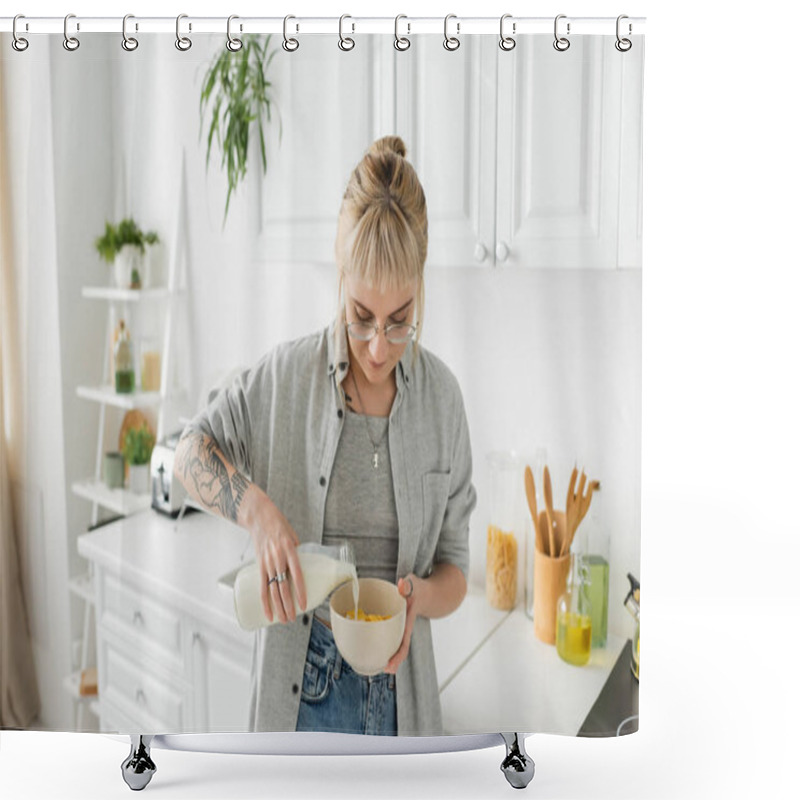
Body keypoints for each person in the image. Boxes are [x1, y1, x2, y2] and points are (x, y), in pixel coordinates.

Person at [175, 135, 476, 736]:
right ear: (339, 275)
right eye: (361, 314)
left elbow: (457, 571)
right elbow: (187, 454)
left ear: (420, 287)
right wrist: (256, 511)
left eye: (400, 321)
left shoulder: (442, 401)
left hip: (401, 703)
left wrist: (418, 598)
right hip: (300, 698)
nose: (377, 346)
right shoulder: (286, 379)